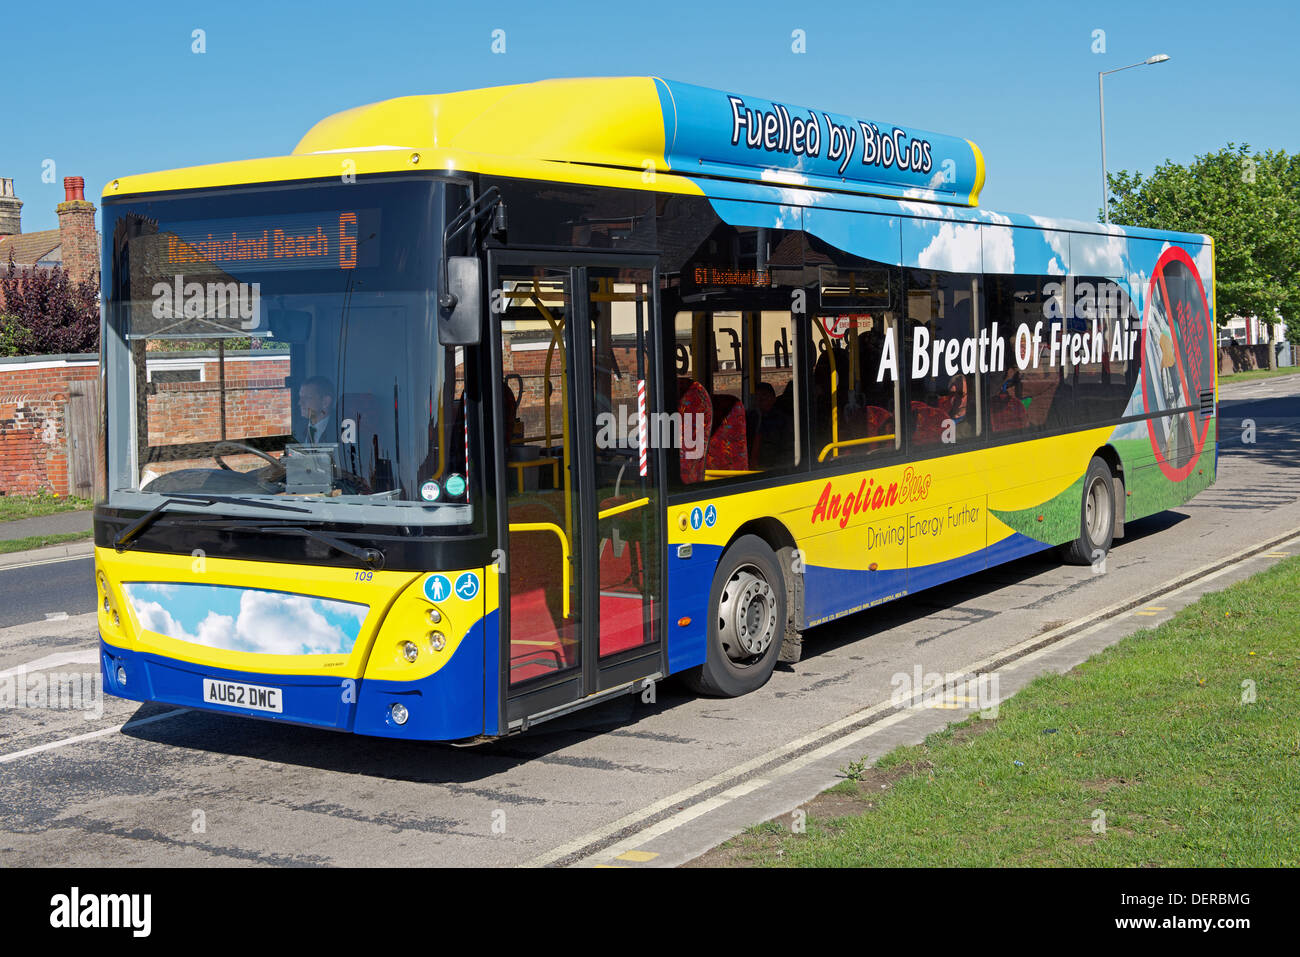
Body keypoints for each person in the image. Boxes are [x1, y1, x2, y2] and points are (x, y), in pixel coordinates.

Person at [297, 376, 337, 444]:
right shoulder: (298, 428)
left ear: (325, 402)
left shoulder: (341, 431)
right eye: (300, 397)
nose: (300, 403)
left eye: (307, 398)